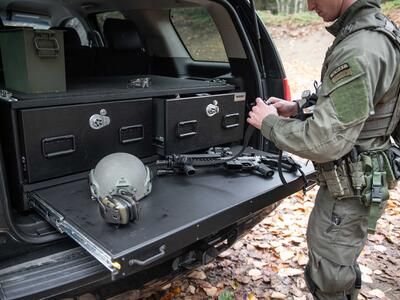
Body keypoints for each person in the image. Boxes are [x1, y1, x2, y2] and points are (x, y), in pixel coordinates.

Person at [247, 0, 400, 299]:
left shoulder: (360, 47)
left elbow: (326, 141)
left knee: (329, 275)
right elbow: (358, 102)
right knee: (338, 264)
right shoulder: (377, 33)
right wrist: (298, 107)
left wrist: (269, 124)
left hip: (350, 187)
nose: (309, 4)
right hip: (362, 178)